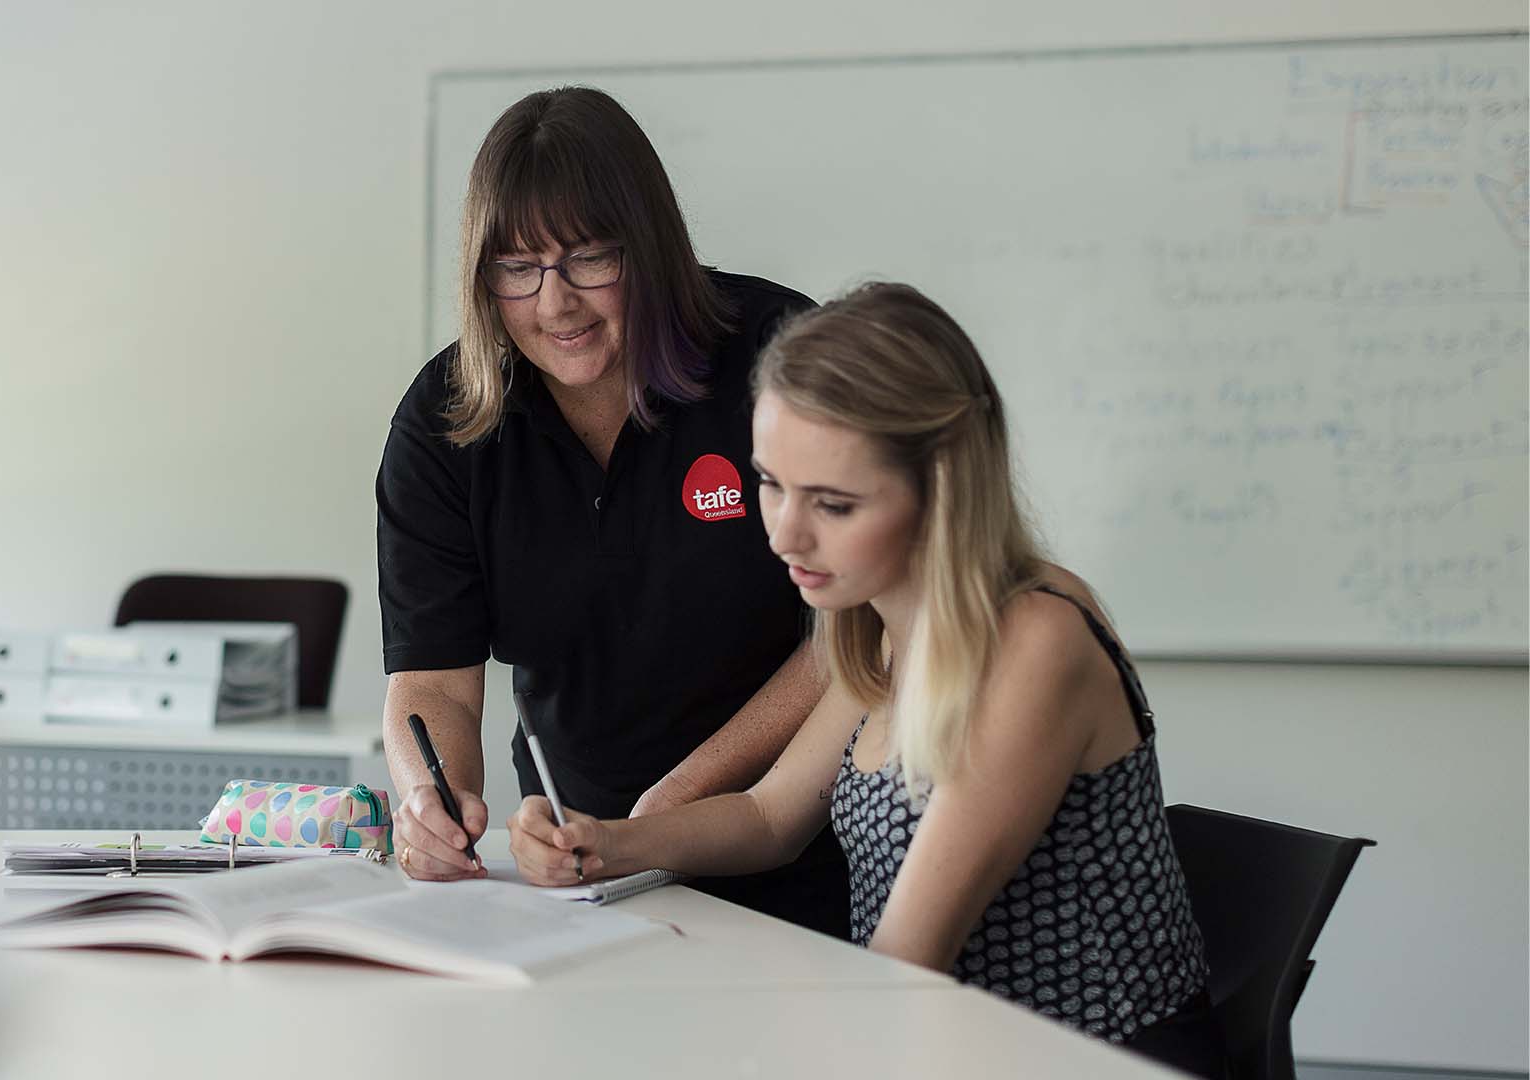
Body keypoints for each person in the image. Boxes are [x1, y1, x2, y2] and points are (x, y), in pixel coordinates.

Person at [508, 282, 1228, 1077]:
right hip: (933, 1040)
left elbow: (907, 959)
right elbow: (768, 816)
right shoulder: (877, 619)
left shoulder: (1035, 640)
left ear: (943, 490)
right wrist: (606, 843)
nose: (784, 534)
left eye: (836, 505)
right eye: (771, 483)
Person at [375, 85, 851, 938]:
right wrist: (429, 802)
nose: (555, 304)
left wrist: (669, 807)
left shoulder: (777, 355)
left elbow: (850, 631)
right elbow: (432, 683)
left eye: (590, 258)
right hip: (586, 874)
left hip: (805, 846)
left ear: (651, 245)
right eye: (517, 269)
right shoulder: (447, 420)